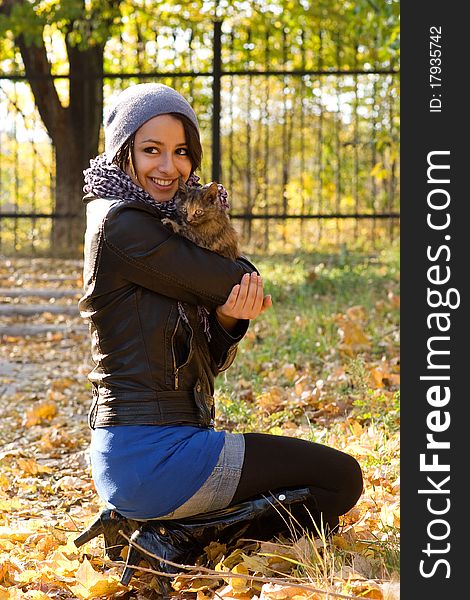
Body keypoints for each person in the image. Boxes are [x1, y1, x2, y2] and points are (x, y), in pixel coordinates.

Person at [76, 83, 363, 579]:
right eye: (151, 150)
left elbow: (204, 345)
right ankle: (173, 536)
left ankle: (152, 520)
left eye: (181, 151)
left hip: (161, 447)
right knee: (340, 481)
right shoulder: (120, 223)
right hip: (153, 454)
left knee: (326, 482)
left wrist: (229, 318)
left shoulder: (158, 219)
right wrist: (235, 283)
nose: (169, 167)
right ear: (123, 152)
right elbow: (236, 275)